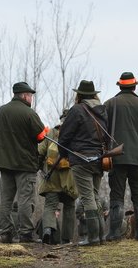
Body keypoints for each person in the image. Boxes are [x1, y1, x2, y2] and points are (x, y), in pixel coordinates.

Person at [104, 72, 138, 241]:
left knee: (117, 195)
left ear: (120, 86)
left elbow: (102, 129)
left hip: (116, 156)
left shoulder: (110, 104)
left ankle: (114, 234)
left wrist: (107, 148)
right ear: (135, 86)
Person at [0, 82, 48, 243]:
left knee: (5, 200)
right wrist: (45, 130)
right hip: (25, 164)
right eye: (30, 95)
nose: (31, 98)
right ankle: (26, 233)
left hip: (4, 163)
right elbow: (40, 137)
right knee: (25, 199)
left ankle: (4, 233)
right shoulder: (29, 113)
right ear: (24, 95)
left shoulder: (0, 111)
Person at [57, 80, 109, 246]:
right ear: (94, 95)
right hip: (99, 159)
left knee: (88, 198)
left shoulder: (77, 110)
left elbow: (64, 136)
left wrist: (64, 154)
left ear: (79, 94)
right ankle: (100, 237)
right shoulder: (103, 110)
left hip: (80, 159)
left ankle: (93, 237)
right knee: (94, 195)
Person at [38, 110, 78, 245]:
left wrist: (40, 168)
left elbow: (40, 151)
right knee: (69, 206)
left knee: (50, 206)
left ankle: (47, 230)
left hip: (52, 176)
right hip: (69, 177)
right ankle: (66, 239)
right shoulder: (76, 134)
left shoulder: (51, 133)